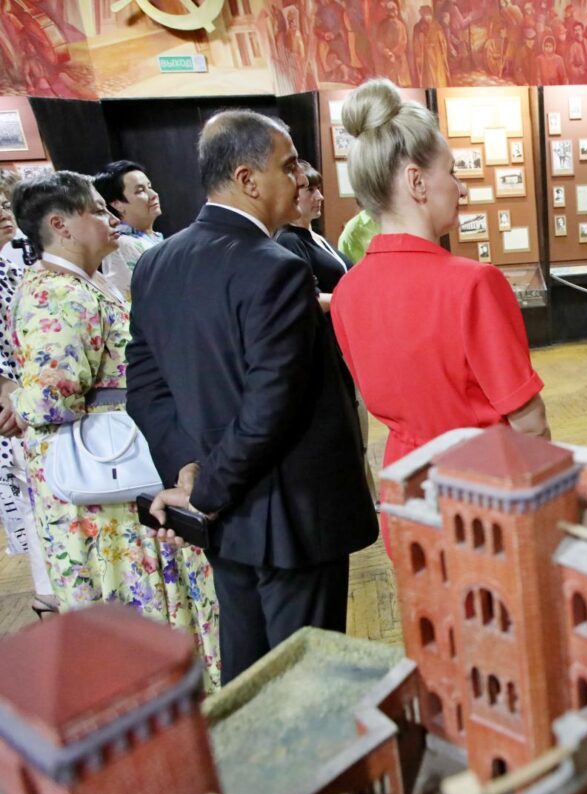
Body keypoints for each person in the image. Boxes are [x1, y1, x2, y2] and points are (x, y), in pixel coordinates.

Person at [127, 111, 377, 684]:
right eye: (289, 166)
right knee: (306, 679)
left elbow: (146, 387)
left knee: (248, 667)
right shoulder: (275, 267)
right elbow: (271, 404)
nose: (300, 178)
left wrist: (189, 472)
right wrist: (206, 489)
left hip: (223, 513)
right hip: (289, 513)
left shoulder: (156, 262)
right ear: (247, 178)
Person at [5, 171, 220, 687]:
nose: (110, 219)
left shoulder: (82, 283)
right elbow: (53, 396)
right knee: (128, 592)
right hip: (101, 485)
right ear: (61, 225)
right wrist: (18, 402)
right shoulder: (58, 292)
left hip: (112, 475)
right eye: (98, 210)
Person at [330, 78, 550, 476]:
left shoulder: (346, 291)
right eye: (451, 172)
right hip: (481, 481)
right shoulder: (473, 284)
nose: (461, 189)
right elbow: (529, 422)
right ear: (417, 182)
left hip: (407, 479)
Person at [0, 170, 52, 607]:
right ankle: (47, 596)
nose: (2, 214)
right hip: (13, 405)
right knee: (32, 501)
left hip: (27, 397)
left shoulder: (18, 263)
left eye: (4, 204)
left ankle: (50, 595)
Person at [275, 161, 351, 311]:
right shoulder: (289, 240)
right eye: (310, 190)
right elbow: (306, 299)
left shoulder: (316, 236)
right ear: (292, 195)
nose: (320, 197)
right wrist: (353, 299)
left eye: (318, 189)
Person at [93, 160, 164, 300]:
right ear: (117, 204)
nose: (153, 194)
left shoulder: (148, 237)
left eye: (149, 187)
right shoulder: (121, 244)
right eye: (140, 191)